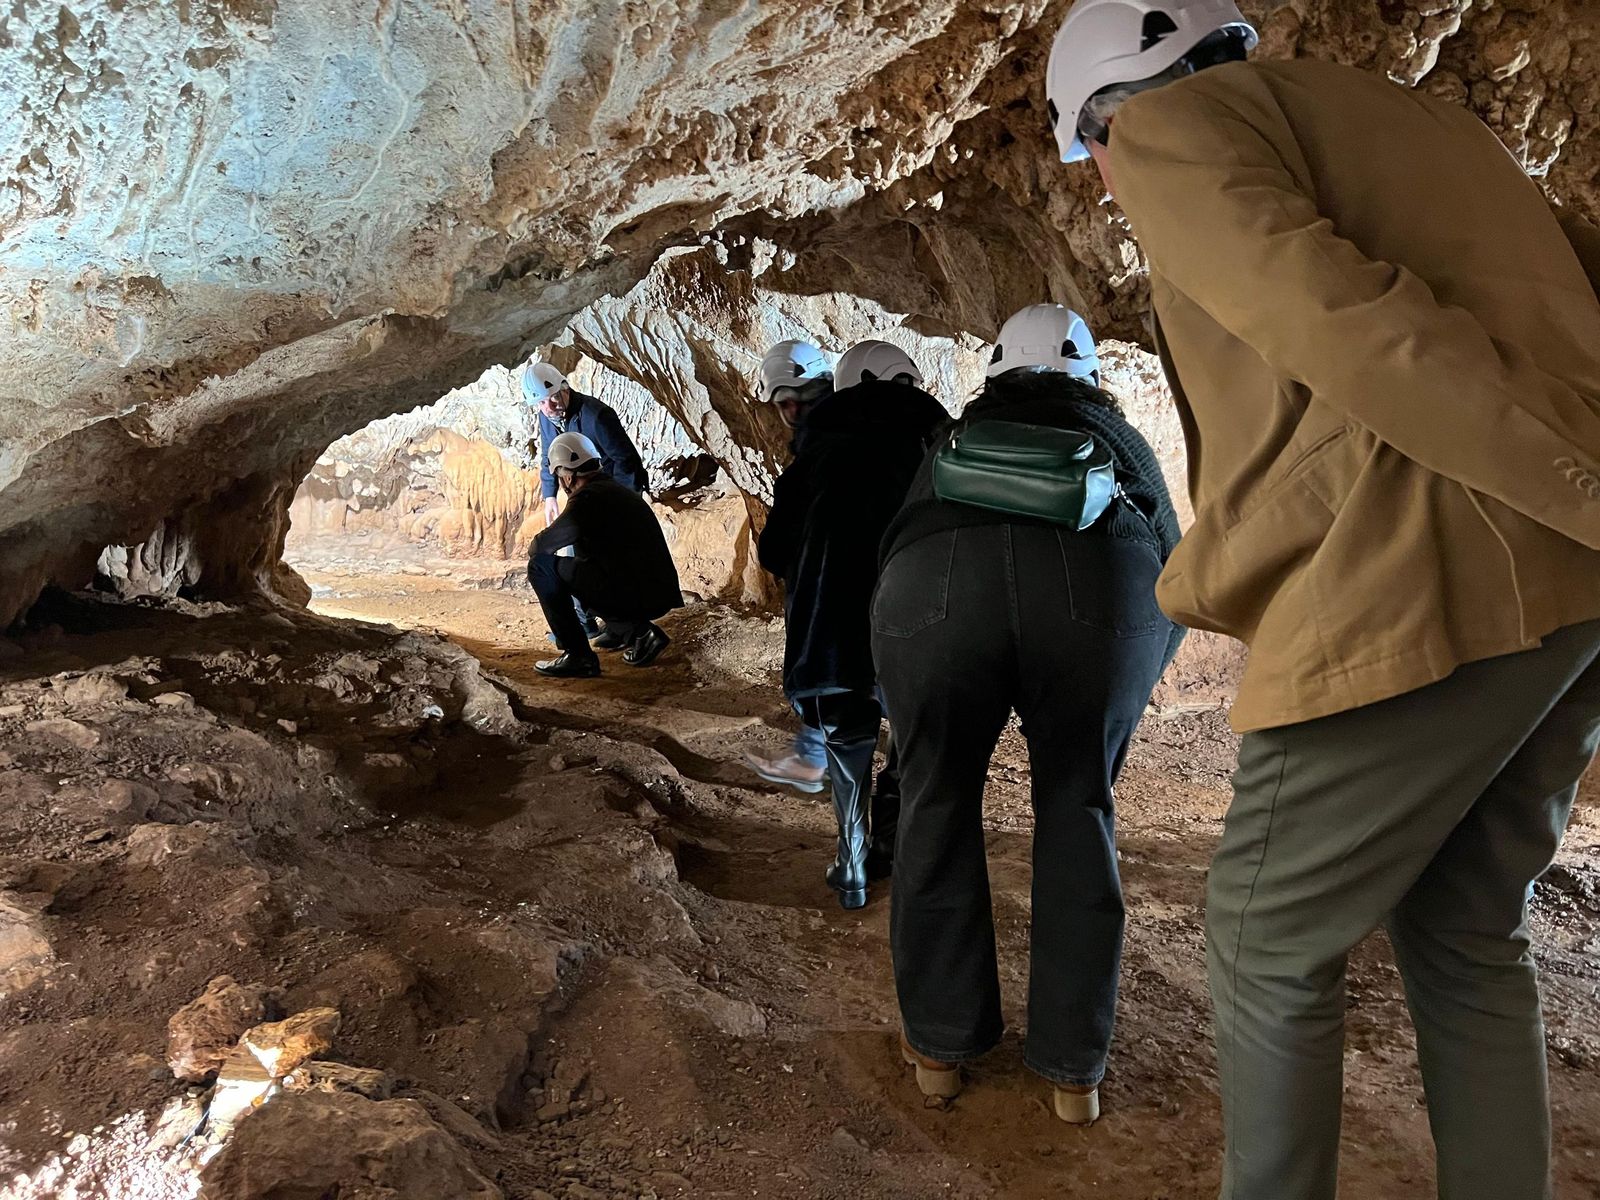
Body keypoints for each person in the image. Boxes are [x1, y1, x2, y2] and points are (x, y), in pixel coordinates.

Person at [1046, 1, 1600, 1194]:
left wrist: (1576, 489)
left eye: (1092, 157)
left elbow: (1337, 320)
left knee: (1261, 931)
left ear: (1107, 116)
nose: (1105, 186)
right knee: (1464, 926)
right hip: (1566, 585)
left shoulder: (1170, 130)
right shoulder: (1429, 124)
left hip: (1431, 561)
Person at [874, 303, 1182, 1123]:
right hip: (1097, 591)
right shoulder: (1116, 442)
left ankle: (940, 1050)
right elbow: (1177, 565)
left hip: (935, 590)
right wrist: (1135, 675)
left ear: (994, 375)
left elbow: (895, 546)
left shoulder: (953, 439)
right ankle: (1071, 1072)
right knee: (1079, 805)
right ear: (1089, 376)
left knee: (935, 801)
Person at [758, 340, 945, 908]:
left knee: (847, 736)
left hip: (834, 631)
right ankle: (901, 846)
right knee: (914, 739)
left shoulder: (815, 454)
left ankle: (854, 863)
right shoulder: (943, 445)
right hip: (922, 623)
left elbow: (773, 551)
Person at [743, 340, 835, 795]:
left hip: (826, 585)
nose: (788, 412)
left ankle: (816, 760)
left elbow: (776, 548)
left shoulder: (811, 460)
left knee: (824, 665)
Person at [527, 433, 681, 678]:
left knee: (541, 567)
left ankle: (578, 655)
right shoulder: (613, 488)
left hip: (636, 594)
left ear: (567, 475)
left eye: (559, 476)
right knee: (588, 566)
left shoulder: (587, 499)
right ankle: (635, 632)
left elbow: (540, 547)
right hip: (655, 591)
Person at [523, 361, 650, 649]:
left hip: (614, 496)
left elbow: (625, 460)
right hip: (586, 499)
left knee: (603, 563)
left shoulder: (596, 415)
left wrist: (621, 505)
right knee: (582, 558)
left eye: (554, 396)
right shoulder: (547, 417)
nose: (550, 404)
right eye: (542, 402)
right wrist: (550, 496)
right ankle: (596, 624)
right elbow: (548, 455)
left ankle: (630, 629)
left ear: (565, 388)